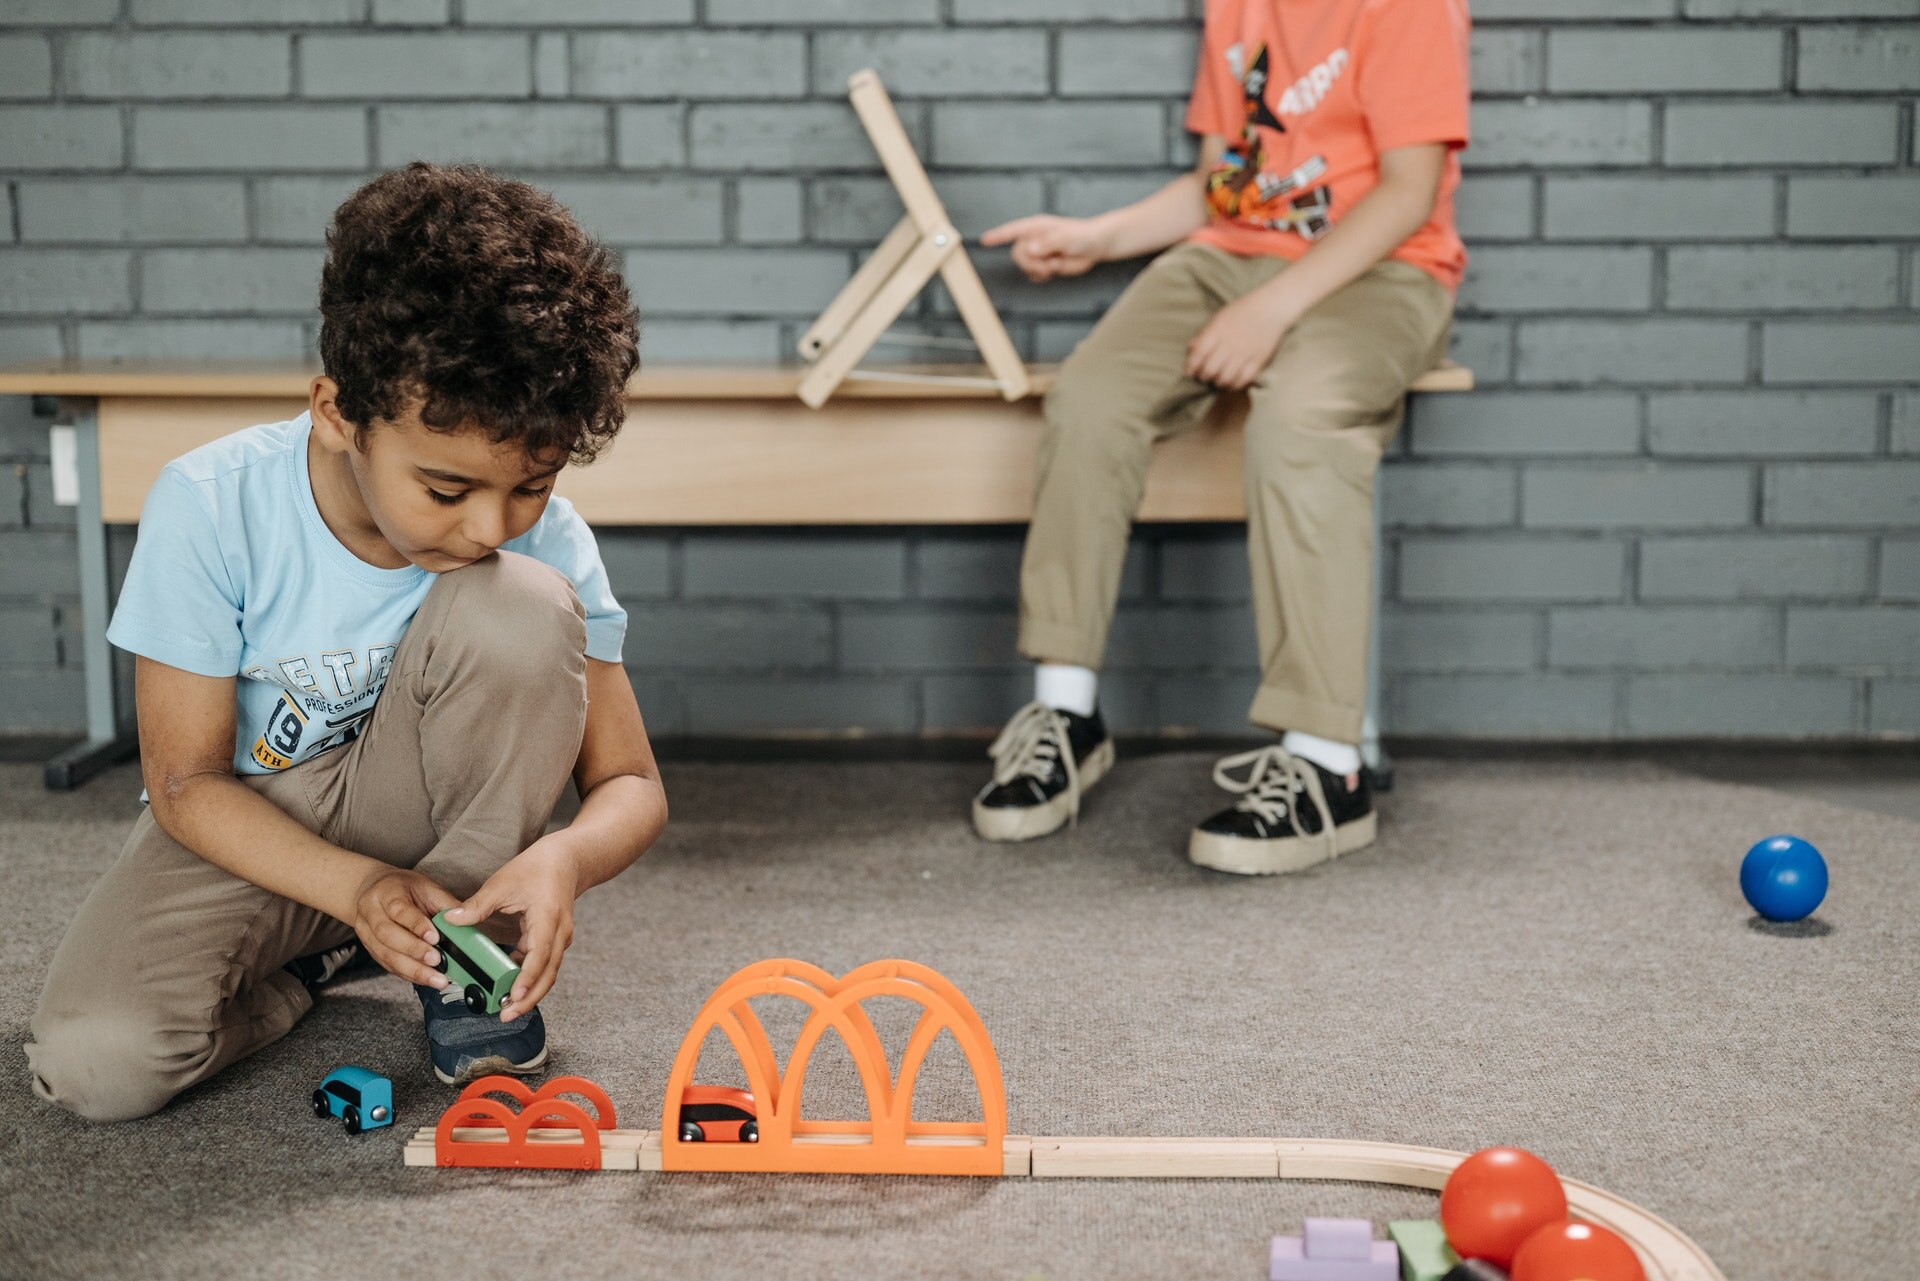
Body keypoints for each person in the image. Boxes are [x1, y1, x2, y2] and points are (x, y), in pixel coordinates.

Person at [26, 163, 666, 1121]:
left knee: (524, 602)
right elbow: (187, 784)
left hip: (430, 832)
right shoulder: (210, 503)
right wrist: (356, 888)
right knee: (96, 1066)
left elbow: (633, 783)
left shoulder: (544, 540)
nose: (492, 524)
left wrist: (564, 859)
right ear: (338, 412)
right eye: (447, 490)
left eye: (529, 483)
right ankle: (325, 957)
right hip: (252, 825)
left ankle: (458, 953)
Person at [973, 0, 1470, 875]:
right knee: (1089, 398)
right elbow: (1223, 179)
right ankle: (1067, 712)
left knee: (1297, 422)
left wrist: (1271, 311)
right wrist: (1100, 238)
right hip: (1227, 257)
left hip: (1385, 270)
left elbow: (1409, 193)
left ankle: (1327, 763)